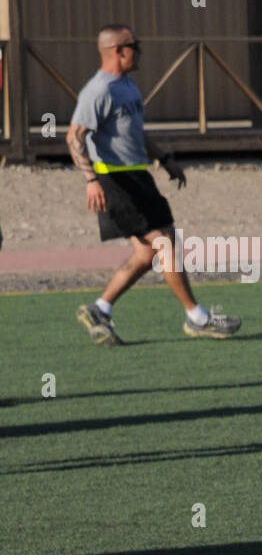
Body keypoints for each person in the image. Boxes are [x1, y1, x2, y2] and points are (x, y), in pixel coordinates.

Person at [68, 25, 240, 345]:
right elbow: (74, 136)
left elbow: (134, 133)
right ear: (118, 50)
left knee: (151, 252)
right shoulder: (98, 90)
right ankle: (196, 317)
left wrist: (164, 159)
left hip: (139, 177)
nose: (140, 51)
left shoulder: (128, 86)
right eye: (136, 46)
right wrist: (91, 180)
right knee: (163, 244)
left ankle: (99, 309)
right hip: (113, 179)